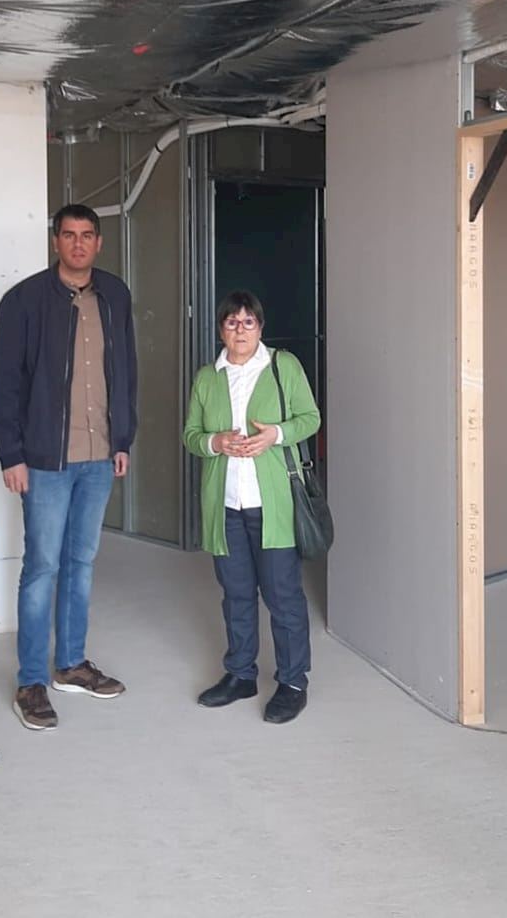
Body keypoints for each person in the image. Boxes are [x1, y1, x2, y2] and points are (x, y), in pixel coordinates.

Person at [0, 203, 137, 731]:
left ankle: (71, 664)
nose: (78, 243)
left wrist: (123, 439)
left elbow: (126, 370)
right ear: (56, 242)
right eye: (69, 235)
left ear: (99, 242)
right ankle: (31, 680)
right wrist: (11, 455)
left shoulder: (115, 294)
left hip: (100, 456)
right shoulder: (24, 300)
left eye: (87, 235)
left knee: (81, 562)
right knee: (42, 567)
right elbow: (3, 383)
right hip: (46, 460)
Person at [183, 290, 321, 724]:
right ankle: (241, 674)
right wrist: (216, 442)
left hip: (272, 506)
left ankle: (293, 682)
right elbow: (190, 435)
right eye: (231, 322)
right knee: (237, 594)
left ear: (260, 328)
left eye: (248, 322)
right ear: (220, 329)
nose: (240, 330)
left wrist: (274, 435)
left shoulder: (283, 366)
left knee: (283, 596)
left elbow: (310, 418)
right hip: (226, 506)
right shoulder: (207, 377)